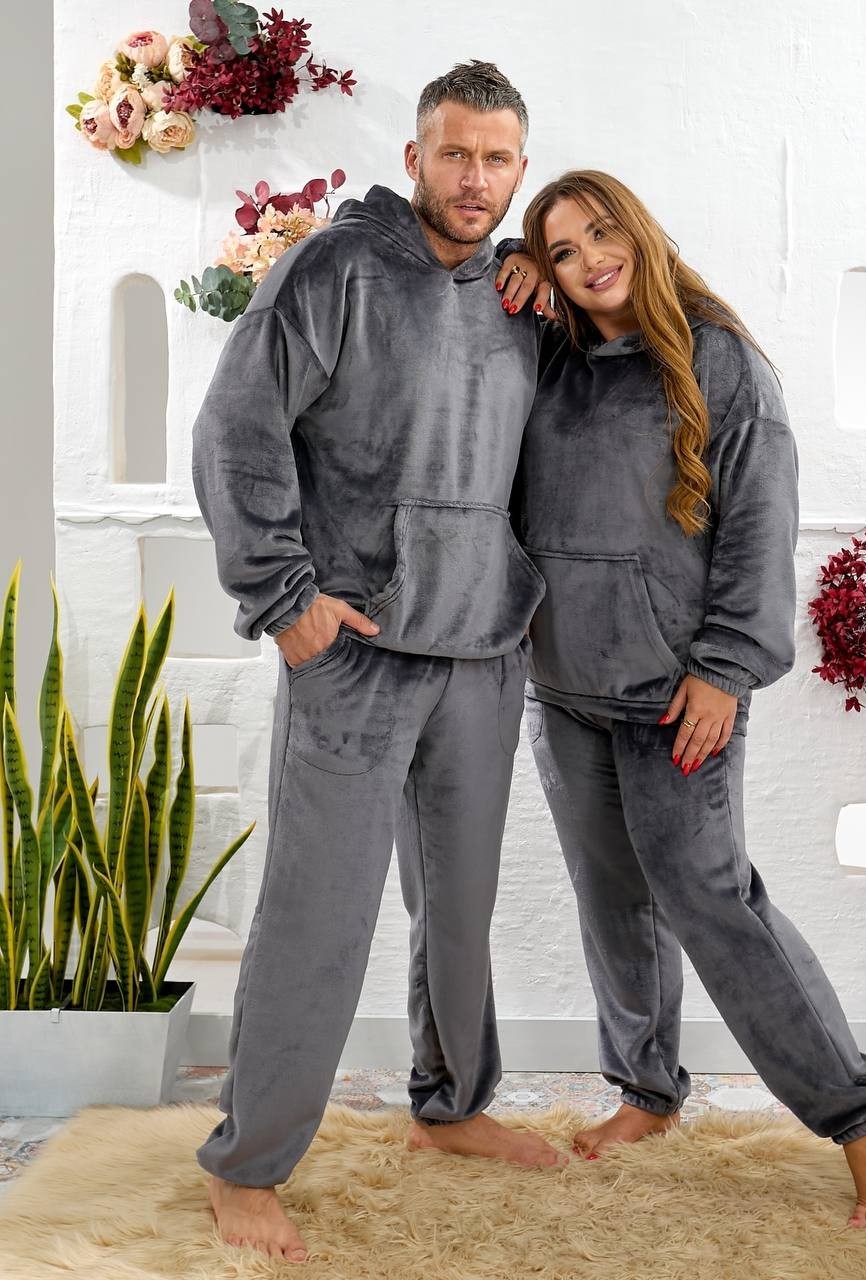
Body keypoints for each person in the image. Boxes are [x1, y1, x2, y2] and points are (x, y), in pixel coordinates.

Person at [190, 62, 562, 1265]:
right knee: (319, 914)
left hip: (483, 648)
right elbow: (235, 426)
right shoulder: (335, 269)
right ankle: (247, 1161)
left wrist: (537, 272)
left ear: (520, 169)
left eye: (496, 159)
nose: (474, 178)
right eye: (455, 153)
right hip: (352, 650)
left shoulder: (520, 295)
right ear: (414, 158)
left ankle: (450, 1106)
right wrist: (280, 596)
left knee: (458, 904)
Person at [495, 170, 866, 1232]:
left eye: (602, 233)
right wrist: (509, 260)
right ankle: (647, 1090)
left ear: (639, 232)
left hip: (677, 692)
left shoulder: (721, 360)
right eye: (561, 250)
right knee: (611, 901)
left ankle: (862, 1111)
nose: (589, 259)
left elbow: (760, 527)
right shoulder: (550, 357)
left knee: (712, 903)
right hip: (563, 690)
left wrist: (725, 668)